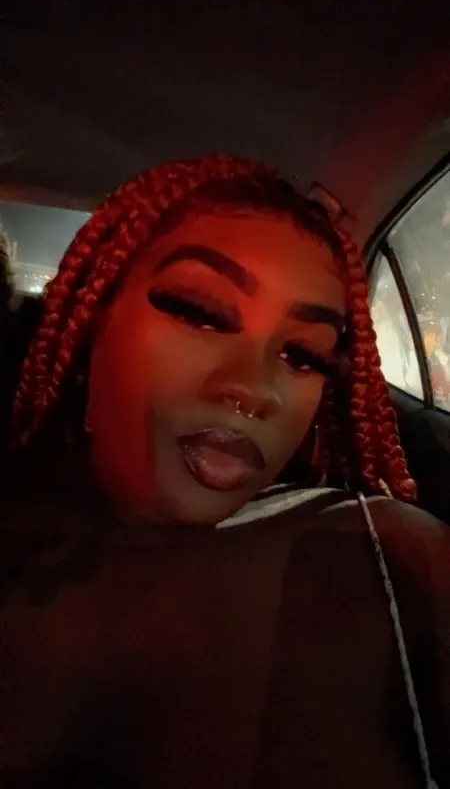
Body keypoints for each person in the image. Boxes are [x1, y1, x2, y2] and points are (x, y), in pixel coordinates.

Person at [1, 154, 449, 789]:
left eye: (303, 355)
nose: (253, 389)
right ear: (95, 313)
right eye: (199, 312)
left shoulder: (392, 555)